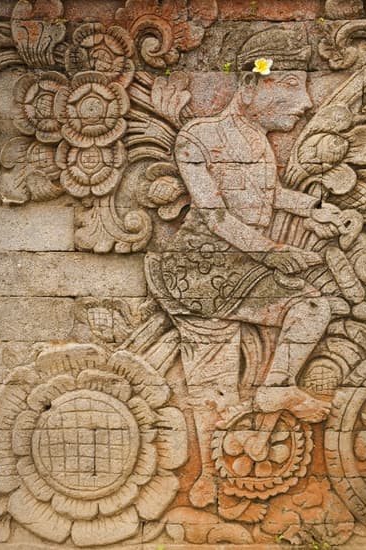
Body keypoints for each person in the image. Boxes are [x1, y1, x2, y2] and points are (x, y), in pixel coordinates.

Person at [144, 27, 342, 507]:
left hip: (238, 269)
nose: (307, 102)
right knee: (217, 383)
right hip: (198, 272)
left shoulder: (255, 138)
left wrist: (311, 209)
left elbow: (267, 197)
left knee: (305, 311)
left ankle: (272, 395)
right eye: (292, 86)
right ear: (253, 84)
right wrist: (276, 253)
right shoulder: (200, 136)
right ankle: (212, 474)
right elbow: (214, 216)